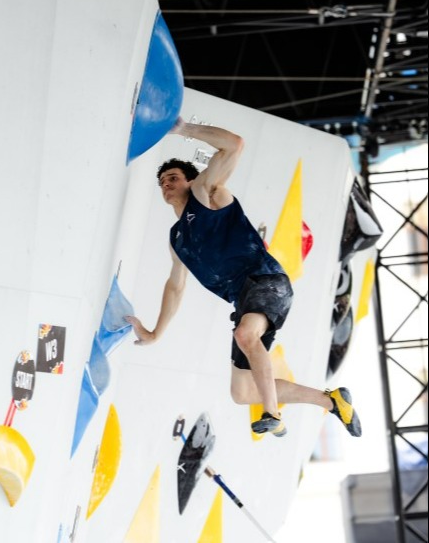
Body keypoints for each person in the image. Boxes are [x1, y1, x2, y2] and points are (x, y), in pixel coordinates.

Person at [127, 117, 361, 438]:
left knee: (245, 337)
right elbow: (175, 286)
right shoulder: (178, 238)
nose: (166, 184)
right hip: (245, 298)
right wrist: (155, 332)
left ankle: (272, 414)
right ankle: (332, 401)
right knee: (242, 392)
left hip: (266, 281)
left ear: (190, 180)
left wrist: (184, 130)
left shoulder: (207, 193)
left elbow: (234, 144)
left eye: (173, 177)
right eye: (162, 182)